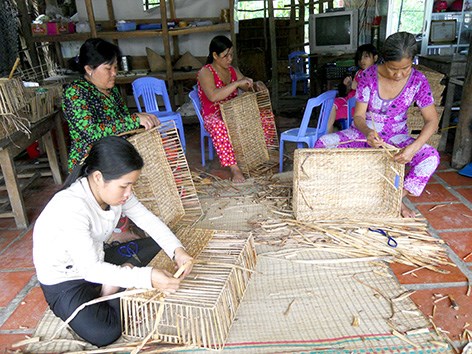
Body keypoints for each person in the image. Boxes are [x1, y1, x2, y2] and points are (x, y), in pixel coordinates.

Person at [33, 136, 193, 347]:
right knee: (104, 333)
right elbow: (90, 270)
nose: (128, 193)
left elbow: (148, 220)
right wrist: (147, 278)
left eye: (131, 186)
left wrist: (177, 251)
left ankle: (116, 280)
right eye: (124, 186)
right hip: (67, 281)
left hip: (96, 259)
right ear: (98, 177)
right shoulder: (71, 207)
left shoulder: (114, 194)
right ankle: (113, 286)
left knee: (159, 246)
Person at [314, 32, 440, 218]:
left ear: (412, 61)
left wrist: (413, 148)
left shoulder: (418, 81)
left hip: (396, 139)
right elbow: (358, 116)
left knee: (430, 157)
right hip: (363, 134)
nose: (398, 75)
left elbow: (432, 120)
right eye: (392, 69)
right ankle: (336, 195)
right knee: (323, 144)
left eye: (405, 68)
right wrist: (367, 132)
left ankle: (394, 198)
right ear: (383, 60)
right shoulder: (368, 76)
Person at [62, 38, 159, 172]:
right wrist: (134, 119)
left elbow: (122, 121)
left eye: (115, 67)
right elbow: (91, 133)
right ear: (89, 69)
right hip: (91, 164)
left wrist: (141, 120)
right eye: (108, 68)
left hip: (116, 157)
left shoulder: (111, 90)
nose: (114, 73)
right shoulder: (76, 92)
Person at [197, 35, 277, 183]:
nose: (229, 59)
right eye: (225, 56)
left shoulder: (232, 70)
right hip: (213, 115)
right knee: (219, 126)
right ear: (215, 55)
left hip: (233, 111)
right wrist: (235, 84)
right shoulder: (205, 72)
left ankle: (261, 156)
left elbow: (247, 87)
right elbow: (213, 96)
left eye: (231, 54)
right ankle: (235, 170)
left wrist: (256, 85)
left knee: (265, 115)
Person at [326, 44, 378, 133]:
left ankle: (329, 133)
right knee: (330, 104)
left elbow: (372, 92)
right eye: (360, 58)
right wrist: (348, 85)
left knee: (331, 113)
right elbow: (350, 91)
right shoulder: (359, 72)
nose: (362, 61)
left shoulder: (375, 74)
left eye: (366, 57)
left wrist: (357, 86)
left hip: (357, 105)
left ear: (375, 58)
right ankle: (329, 133)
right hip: (349, 99)